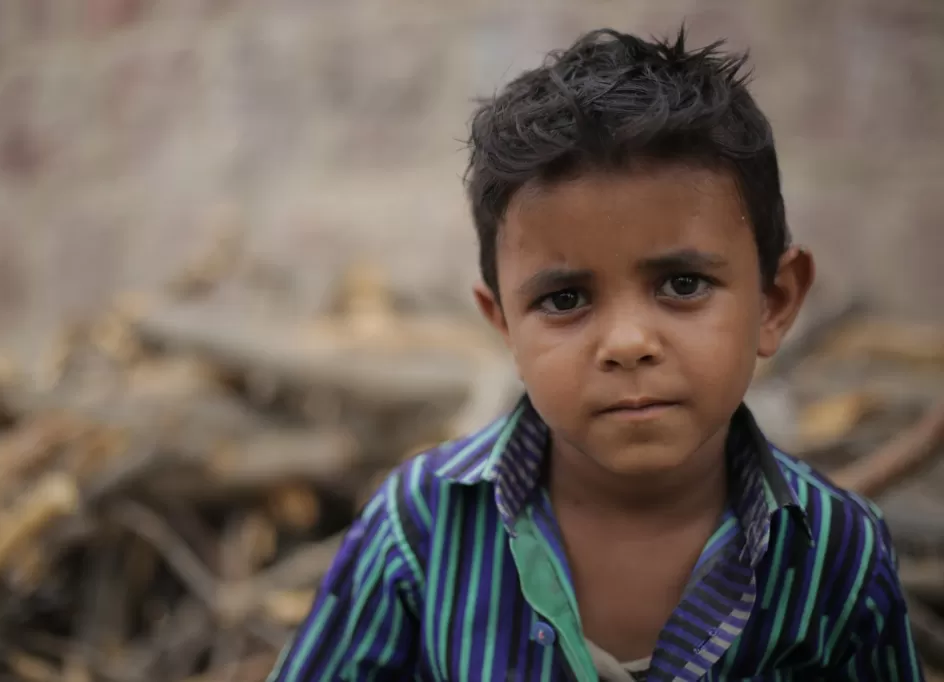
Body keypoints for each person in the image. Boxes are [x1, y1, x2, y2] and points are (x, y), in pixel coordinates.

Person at [267, 27, 926, 682]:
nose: (628, 343)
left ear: (774, 301)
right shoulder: (421, 529)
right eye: (564, 299)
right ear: (504, 328)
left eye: (683, 284)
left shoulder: (837, 557)